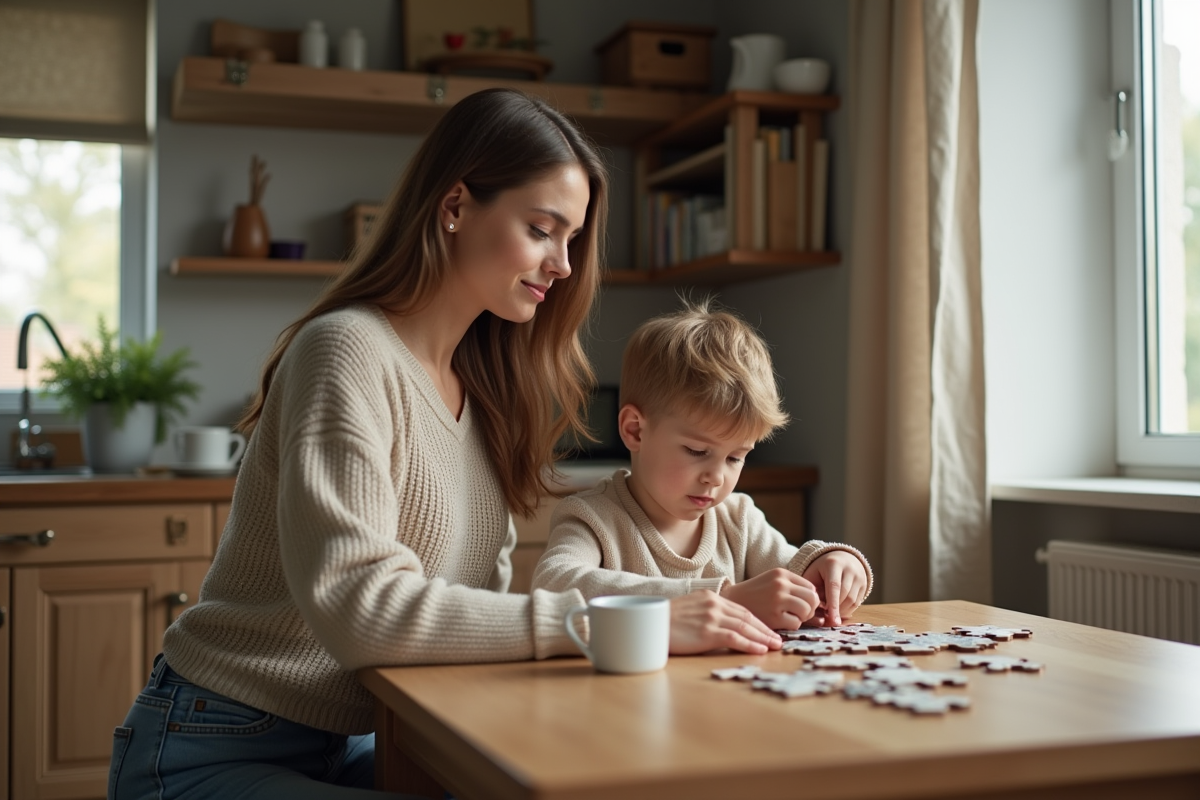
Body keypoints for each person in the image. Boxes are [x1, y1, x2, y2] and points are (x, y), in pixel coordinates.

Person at [107, 90, 782, 800]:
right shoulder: (346, 351)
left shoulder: (487, 392)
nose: (562, 264)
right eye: (541, 229)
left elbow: (465, 616)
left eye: (572, 240)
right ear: (455, 205)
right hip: (215, 740)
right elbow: (362, 606)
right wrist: (631, 622)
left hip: (365, 736)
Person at [532, 298, 874, 630]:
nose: (716, 477)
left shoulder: (738, 520)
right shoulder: (591, 518)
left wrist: (832, 564)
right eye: (697, 451)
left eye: (735, 457)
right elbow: (554, 584)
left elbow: (793, 570)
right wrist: (721, 598)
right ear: (635, 430)